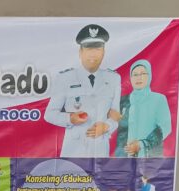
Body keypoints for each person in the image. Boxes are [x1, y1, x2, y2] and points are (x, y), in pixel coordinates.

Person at [44, 24, 121, 157]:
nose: (93, 53)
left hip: (100, 150)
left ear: (103, 52)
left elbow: (115, 114)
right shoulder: (65, 78)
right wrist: (70, 118)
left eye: (97, 48)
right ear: (80, 52)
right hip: (73, 150)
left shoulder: (113, 78)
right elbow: (49, 114)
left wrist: (107, 126)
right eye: (88, 48)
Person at [115, 60, 172, 158]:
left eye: (142, 74)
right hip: (124, 157)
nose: (139, 78)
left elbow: (165, 127)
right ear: (131, 78)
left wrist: (141, 144)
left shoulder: (158, 99)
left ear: (149, 75)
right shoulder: (123, 101)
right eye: (135, 75)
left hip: (149, 156)